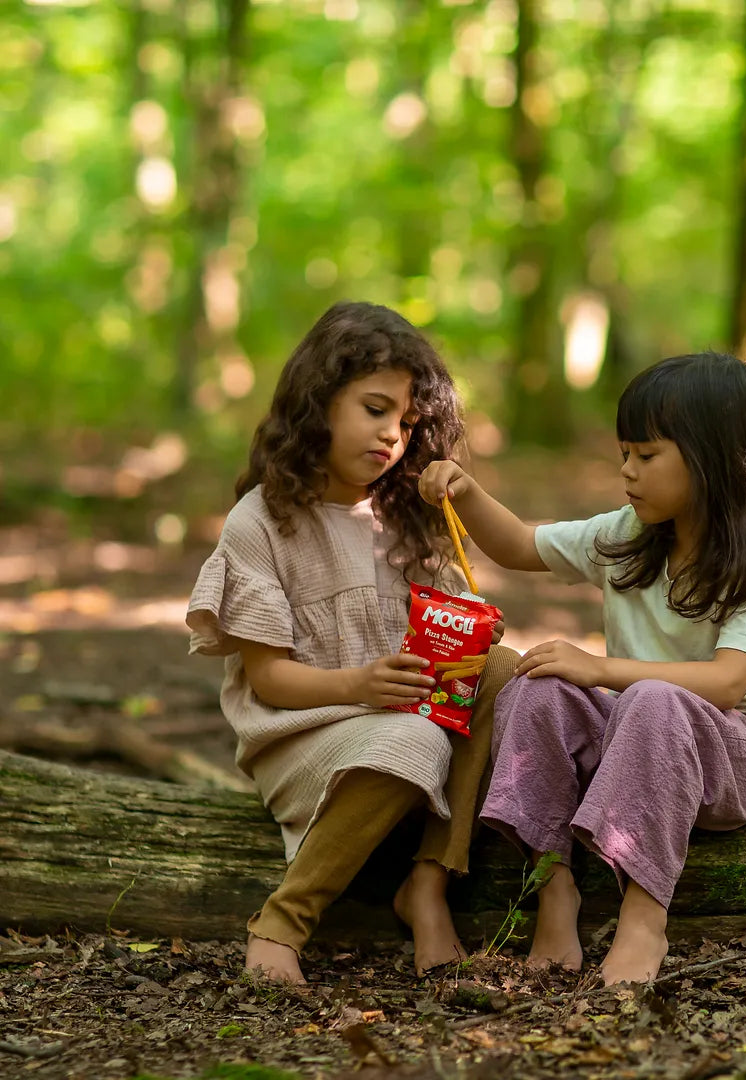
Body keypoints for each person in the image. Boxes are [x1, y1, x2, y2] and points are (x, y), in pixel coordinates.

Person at [419, 351, 746, 986]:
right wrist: (466, 490)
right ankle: (553, 885)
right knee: (535, 686)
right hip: (632, 737)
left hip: (739, 752)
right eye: (625, 453)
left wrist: (601, 670)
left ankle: (644, 917)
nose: (626, 471)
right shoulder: (627, 536)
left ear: (716, 459)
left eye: (646, 455)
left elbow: (728, 682)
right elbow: (518, 545)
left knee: (653, 699)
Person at [187, 301, 517, 985]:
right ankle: (284, 920)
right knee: (413, 738)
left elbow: (448, 663)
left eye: (408, 423)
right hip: (303, 734)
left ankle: (427, 882)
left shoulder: (408, 516)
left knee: (505, 671)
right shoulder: (262, 521)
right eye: (374, 409)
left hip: (405, 721)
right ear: (319, 401)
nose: (392, 434)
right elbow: (270, 680)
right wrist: (359, 686)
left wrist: (471, 638)